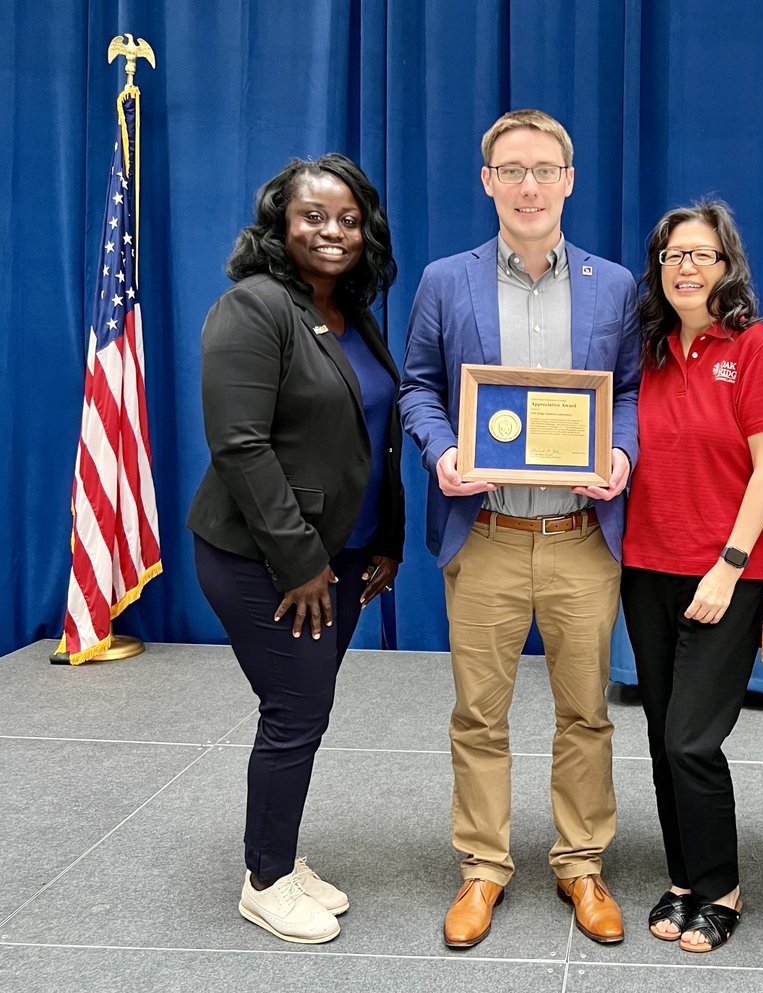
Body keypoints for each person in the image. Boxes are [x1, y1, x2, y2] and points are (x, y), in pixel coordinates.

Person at [399, 109, 640, 949]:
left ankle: (580, 861)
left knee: (587, 713)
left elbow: (636, 391)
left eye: (544, 169)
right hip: (488, 531)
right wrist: (440, 450)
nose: (529, 185)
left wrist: (619, 447)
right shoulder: (444, 281)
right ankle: (483, 867)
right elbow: (417, 388)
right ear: (488, 181)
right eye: (512, 169)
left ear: (570, 180)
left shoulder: (614, 285)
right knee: (479, 714)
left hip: (582, 535)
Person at [188, 154, 403, 944]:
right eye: (314, 215)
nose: (333, 231)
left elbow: (367, 434)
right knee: (296, 709)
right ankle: (266, 878)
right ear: (280, 221)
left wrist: (386, 538)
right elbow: (240, 445)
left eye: (349, 218)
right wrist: (302, 561)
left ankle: (277, 852)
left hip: (341, 557)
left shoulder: (346, 310)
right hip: (266, 561)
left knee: (301, 711)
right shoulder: (253, 307)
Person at [621, 201, 763, 952]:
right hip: (645, 566)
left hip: (725, 572)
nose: (685, 268)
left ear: (727, 267)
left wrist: (729, 565)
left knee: (694, 738)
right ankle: (684, 878)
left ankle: (721, 884)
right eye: (672, 256)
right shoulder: (646, 350)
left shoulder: (754, 348)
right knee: (664, 735)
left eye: (701, 255)